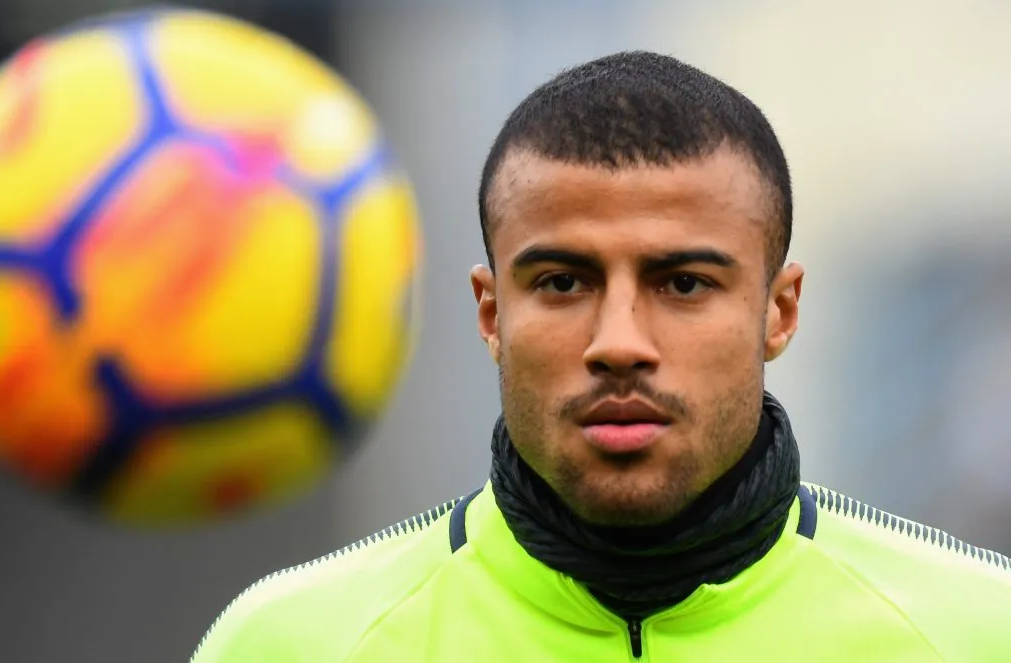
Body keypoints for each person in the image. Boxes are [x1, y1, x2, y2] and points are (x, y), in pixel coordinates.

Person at [190, 51, 1011, 662]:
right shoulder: (291, 643)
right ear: (491, 313)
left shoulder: (978, 632)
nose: (619, 341)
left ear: (778, 309)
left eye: (683, 282)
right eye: (561, 281)